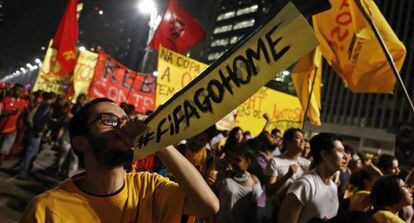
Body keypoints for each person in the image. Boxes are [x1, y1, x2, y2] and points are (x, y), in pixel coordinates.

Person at [20, 98, 219, 222]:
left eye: (124, 120)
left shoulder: (148, 187)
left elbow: (208, 206)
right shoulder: (46, 210)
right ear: (81, 142)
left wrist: (158, 141)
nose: (122, 126)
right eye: (109, 120)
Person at [278, 132, 348, 223]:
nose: (346, 156)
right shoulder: (305, 185)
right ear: (324, 155)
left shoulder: (333, 187)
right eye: (340, 151)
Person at [264, 128, 310, 221]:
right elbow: (269, 191)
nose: (302, 141)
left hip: (296, 215)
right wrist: (288, 175)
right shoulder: (275, 161)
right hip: (275, 214)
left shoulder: (307, 164)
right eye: (298, 137)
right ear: (288, 141)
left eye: (303, 139)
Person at [216, 143, 262, 223]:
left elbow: (256, 209)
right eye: (232, 159)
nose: (233, 163)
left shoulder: (254, 182)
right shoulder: (223, 175)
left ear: (247, 162)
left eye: (238, 160)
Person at [0, 84, 27, 165]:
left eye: (21, 91)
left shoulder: (23, 102)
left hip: (12, 130)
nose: (19, 93)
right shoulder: (5, 100)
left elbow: (23, 116)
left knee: (5, 150)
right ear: (13, 90)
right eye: (17, 90)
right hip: (1, 127)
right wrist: (12, 112)